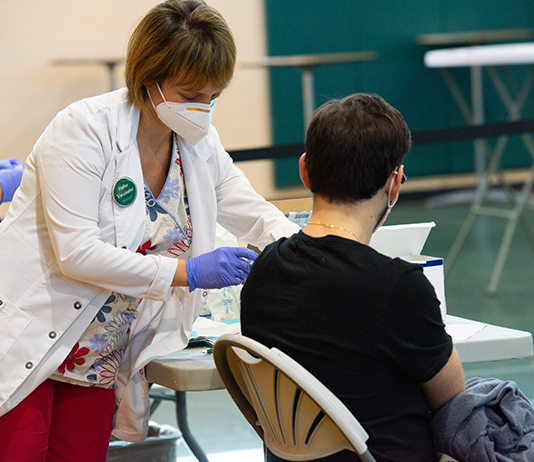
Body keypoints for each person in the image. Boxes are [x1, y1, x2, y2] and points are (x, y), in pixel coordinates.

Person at [0, 1, 299, 461]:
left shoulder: (199, 144)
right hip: (33, 329)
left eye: (212, 97)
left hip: (98, 352)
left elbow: (253, 212)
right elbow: (76, 253)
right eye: (189, 95)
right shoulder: (83, 130)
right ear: (148, 79)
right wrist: (189, 272)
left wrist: (311, 251)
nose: (203, 109)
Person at [240, 93, 466, 462]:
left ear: (304, 170)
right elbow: (454, 401)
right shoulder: (397, 286)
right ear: (395, 184)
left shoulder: (262, 271)